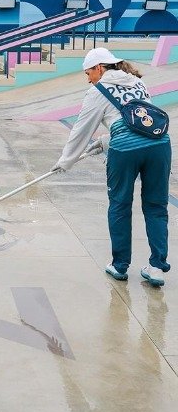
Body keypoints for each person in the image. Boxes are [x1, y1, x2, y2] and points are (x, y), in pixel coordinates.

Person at [52, 47, 171, 286]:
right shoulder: (138, 82)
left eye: (88, 73)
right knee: (156, 206)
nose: (88, 79)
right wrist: (106, 140)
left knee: (120, 204)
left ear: (99, 68)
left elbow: (81, 129)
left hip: (125, 150)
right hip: (160, 145)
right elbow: (140, 120)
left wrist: (66, 161)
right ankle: (157, 268)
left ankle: (119, 266)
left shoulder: (98, 91)